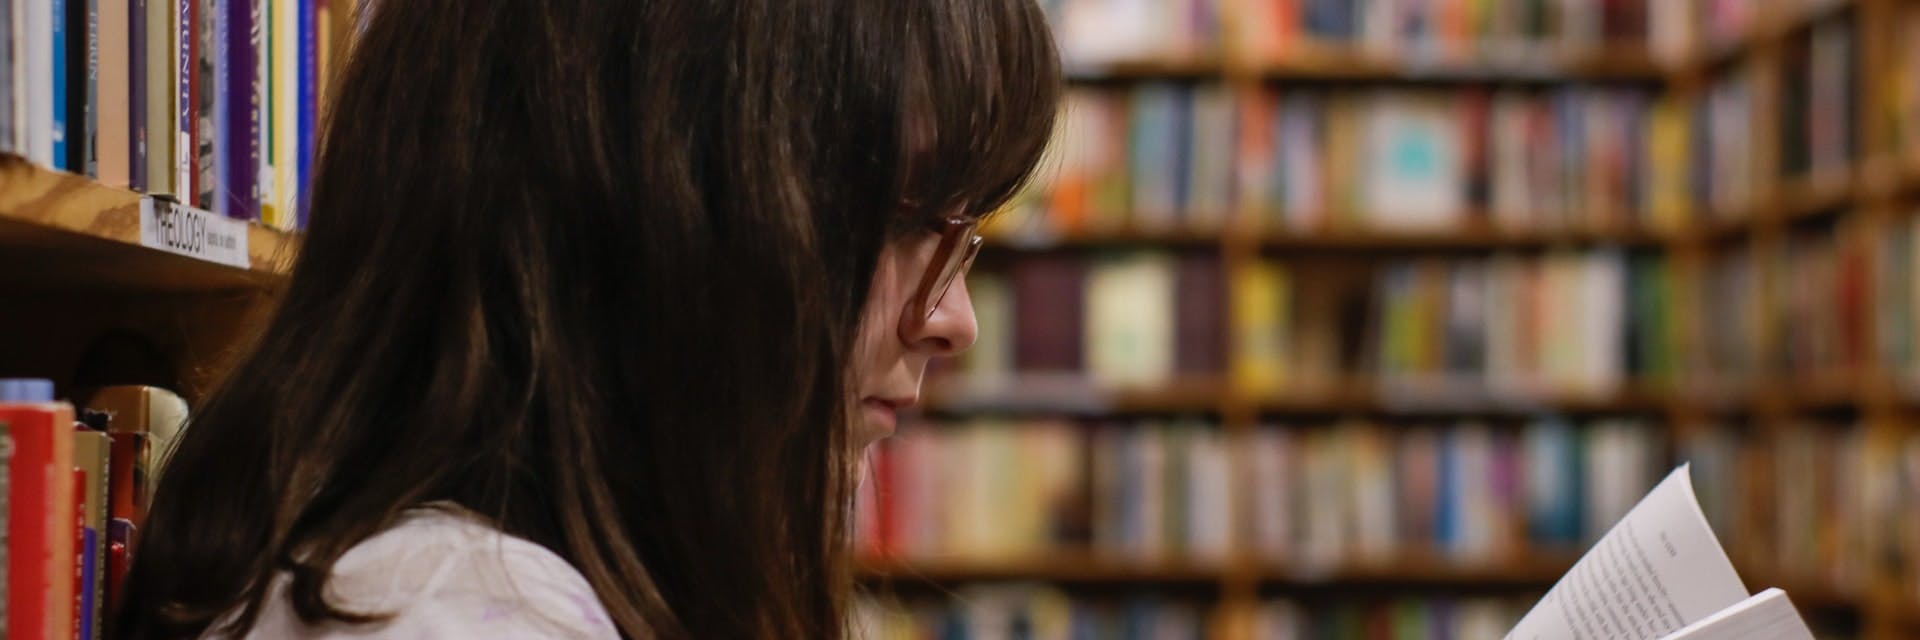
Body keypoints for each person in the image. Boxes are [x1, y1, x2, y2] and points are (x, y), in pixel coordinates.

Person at [110, 0, 1061, 637]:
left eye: (963, 235)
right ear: (645, 194)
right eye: (901, 217)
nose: (953, 321)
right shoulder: (457, 615)